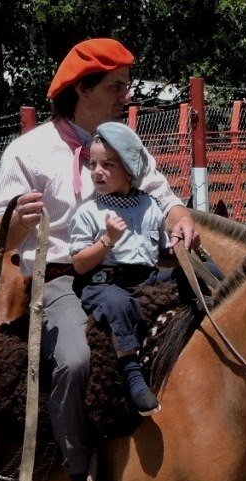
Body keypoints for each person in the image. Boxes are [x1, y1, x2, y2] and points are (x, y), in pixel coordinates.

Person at [0, 38, 199, 481]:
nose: (127, 93)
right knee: (76, 359)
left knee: (224, 308)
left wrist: (182, 220)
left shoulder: (126, 143)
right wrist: (14, 224)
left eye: (126, 83)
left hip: (137, 271)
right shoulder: (28, 152)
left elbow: (167, 201)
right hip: (61, 278)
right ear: (83, 89)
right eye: (116, 85)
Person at [69, 121, 171, 417]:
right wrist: (107, 241)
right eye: (93, 164)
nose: (96, 171)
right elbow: (79, 263)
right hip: (104, 283)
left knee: (205, 275)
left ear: (129, 171)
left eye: (107, 164)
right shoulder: (89, 212)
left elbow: (160, 250)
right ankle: (132, 373)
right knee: (119, 304)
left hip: (145, 278)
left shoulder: (150, 205)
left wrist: (179, 247)